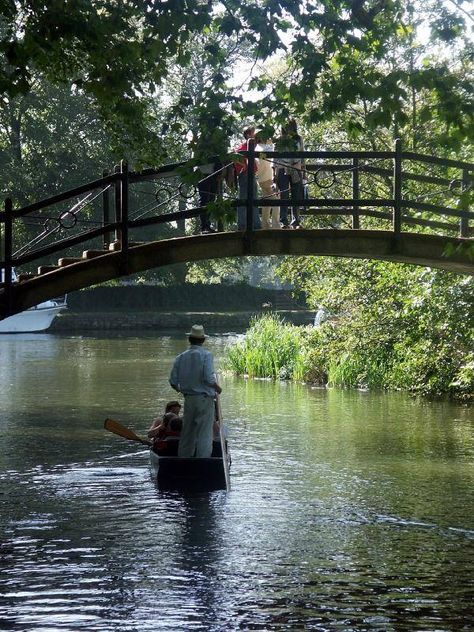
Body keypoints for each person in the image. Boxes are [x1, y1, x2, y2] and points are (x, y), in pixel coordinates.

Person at [169, 324, 222, 458]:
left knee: (188, 432)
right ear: (203, 340)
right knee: (204, 433)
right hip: (204, 399)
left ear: (189, 340)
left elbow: (173, 381)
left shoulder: (181, 357)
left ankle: (184, 461)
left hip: (189, 399)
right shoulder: (206, 355)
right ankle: (203, 462)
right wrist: (217, 387)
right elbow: (208, 378)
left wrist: (183, 391)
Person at [274, 119, 306, 228]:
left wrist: (303, 170)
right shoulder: (279, 140)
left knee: (296, 195)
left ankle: (296, 221)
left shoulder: (298, 139)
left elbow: (302, 154)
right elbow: (275, 157)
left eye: (291, 126)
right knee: (284, 195)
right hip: (282, 168)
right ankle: (283, 221)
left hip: (296, 168)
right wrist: (275, 173)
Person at [234, 126, 261, 231]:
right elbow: (236, 157)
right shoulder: (243, 147)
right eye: (254, 133)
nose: (256, 135)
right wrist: (243, 164)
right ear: (248, 135)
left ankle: (255, 224)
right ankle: (244, 225)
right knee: (245, 199)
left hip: (251, 174)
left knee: (253, 198)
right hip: (245, 175)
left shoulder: (253, 146)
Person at [255, 131, 280, 229]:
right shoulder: (259, 149)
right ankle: (276, 225)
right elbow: (264, 159)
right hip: (267, 178)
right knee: (276, 201)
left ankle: (265, 224)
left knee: (266, 201)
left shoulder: (263, 146)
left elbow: (274, 140)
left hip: (264, 178)